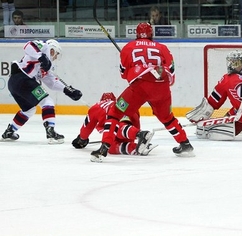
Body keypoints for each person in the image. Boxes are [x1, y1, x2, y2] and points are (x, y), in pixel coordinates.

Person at [91, 22, 194, 161]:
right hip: (162, 88)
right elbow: (171, 72)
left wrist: (135, 68)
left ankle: (104, 148)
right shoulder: (162, 47)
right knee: (167, 118)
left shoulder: (129, 47)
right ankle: (185, 144)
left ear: (137, 34)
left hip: (140, 87)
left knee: (115, 113)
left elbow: (123, 74)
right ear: (151, 34)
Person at [1, 39, 82, 144]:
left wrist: (67, 90)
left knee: (28, 110)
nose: (55, 57)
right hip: (24, 79)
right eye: (56, 54)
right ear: (52, 50)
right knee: (47, 102)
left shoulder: (46, 65)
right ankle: (50, 132)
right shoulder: (45, 47)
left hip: (14, 83)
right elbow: (28, 45)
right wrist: (41, 56)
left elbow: (52, 82)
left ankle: (10, 131)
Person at [72, 92, 157, 160]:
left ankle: (140, 134)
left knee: (114, 131)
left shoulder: (96, 107)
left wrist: (81, 140)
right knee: (112, 146)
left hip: (115, 120)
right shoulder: (118, 103)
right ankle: (138, 146)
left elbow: (86, 128)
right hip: (130, 118)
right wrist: (134, 135)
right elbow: (135, 115)